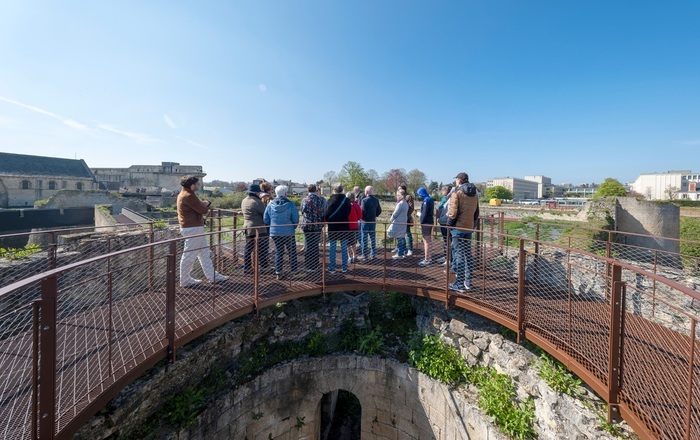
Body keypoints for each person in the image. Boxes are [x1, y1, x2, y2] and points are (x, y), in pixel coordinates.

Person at [177, 175, 229, 287]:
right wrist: (205, 204)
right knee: (190, 254)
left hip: (192, 227)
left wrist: (202, 204)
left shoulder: (185, 194)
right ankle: (185, 280)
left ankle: (212, 276)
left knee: (203, 253)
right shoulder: (189, 195)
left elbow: (199, 207)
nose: (199, 185)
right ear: (192, 185)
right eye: (197, 184)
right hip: (193, 228)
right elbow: (203, 210)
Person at [447, 172, 480, 292]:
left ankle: (459, 284)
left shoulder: (457, 192)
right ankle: (468, 281)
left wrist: (449, 225)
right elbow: (477, 212)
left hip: (458, 228)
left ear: (460, 180)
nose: (455, 181)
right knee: (468, 254)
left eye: (456, 179)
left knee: (459, 254)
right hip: (469, 228)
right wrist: (473, 225)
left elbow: (453, 212)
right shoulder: (475, 193)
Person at [263, 185, 300, 278]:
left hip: (275, 232)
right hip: (288, 231)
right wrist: (293, 226)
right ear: (285, 193)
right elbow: (295, 218)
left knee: (278, 252)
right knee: (292, 252)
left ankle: (278, 273)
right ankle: (294, 272)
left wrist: (271, 226)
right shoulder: (290, 204)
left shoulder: (270, 204)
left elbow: (265, 218)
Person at [241, 183, 270, 274]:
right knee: (262, 249)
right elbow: (265, 214)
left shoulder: (244, 200)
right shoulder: (257, 202)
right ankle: (264, 267)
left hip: (247, 227)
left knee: (248, 249)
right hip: (259, 229)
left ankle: (247, 267)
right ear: (256, 193)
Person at [300, 183, 326, 272]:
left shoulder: (304, 200)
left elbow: (302, 211)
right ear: (316, 190)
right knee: (315, 246)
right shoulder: (321, 200)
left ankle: (308, 266)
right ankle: (315, 266)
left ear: (308, 190)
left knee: (308, 245)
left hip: (307, 226)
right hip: (317, 226)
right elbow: (324, 212)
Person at [325, 184, 351, 273]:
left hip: (333, 226)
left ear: (334, 190)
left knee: (332, 248)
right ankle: (344, 267)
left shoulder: (330, 200)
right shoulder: (346, 200)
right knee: (344, 247)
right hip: (344, 226)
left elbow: (327, 213)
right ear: (342, 190)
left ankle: (332, 267)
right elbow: (349, 211)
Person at [358, 185, 382, 260]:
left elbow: (362, 211)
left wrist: (362, 217)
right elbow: (379, 210)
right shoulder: (376, 200)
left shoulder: (364, 200)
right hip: (372, 221)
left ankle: (364, 254)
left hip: (365, 221)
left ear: (366, 191)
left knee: (364, 238)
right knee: (372, 238)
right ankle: (373, 254)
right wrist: (375, 215)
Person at [387, 189, 408, 259]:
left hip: (398, 223)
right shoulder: (405, 203)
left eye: (398, 195)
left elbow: (395, 213)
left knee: (399, 238)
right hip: (403, 222)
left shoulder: (400, 204)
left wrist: (391, 219)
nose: (397, 196)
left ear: (401, 196)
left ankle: (400, 253)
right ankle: (402, 252)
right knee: (401, 238)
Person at [416, 187, 435, 267]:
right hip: (430, 221)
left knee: (426, 241)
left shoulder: (426, 201)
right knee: (429, 241)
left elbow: (424, 214)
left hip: (426, 223)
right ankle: (429, 257)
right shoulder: (430, 199)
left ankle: (426, 259)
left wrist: (421, 221)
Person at [435, 185, 452, 264]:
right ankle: (446, 257)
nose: (441, 192)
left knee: (447, 241)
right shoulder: (445, 198)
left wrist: (440, 219)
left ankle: (449, 259)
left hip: (445, 222)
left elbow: (446, 210)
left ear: (446, 191)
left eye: (442, 190)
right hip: (443, 221)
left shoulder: (448, 198)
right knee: (446, 241)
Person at [346, 192, 362, 263]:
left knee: (347, 243)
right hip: (355, 225)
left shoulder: (345, 205)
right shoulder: (356, 205)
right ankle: (354, 255)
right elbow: (360, 216)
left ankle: (349, 257)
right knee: (353, 242)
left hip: (347, 225)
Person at [398, 185, 414, 256]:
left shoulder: (408, 197)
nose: (398, 190)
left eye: (399, 189)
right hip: (400, 218)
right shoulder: (399, 197)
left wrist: (406, 215)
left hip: (406, 218)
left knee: (407, 234)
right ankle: (400, 247)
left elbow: (411, 207)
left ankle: (410, 249)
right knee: (399, 233)